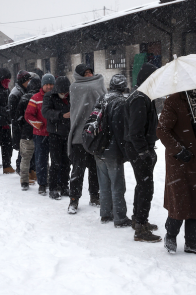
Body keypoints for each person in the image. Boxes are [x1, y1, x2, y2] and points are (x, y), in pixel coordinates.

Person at [157, 86, 196, 255]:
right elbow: (162, 130)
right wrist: (178, 150)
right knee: (179, 199)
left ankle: (192, 242)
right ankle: (171, 236)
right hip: (179, 160)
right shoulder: (173, 101)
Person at [124, 63, 161, 242]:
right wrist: (144, 152)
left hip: (141, 148)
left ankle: (137, 219)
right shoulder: (140, 98)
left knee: (142, 185)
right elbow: (135, 131)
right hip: (139, 150)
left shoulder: (145, 96)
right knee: (146, 187)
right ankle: (141, 227)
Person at [90, 74, 132, 227]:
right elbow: (119, 129)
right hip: (112, 149)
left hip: (98, 146)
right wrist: (125, 151)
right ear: (123, 86)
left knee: (104, 183)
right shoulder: (120, 102)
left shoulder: (102, 98)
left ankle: (105, 213)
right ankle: (120, 218)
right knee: (117, 184)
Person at [67, 64, 106, 213]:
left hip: (95, 133)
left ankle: (94, 196)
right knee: (77, 170)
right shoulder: (75, 87)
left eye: (90, 72)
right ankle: (73, 200)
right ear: (79, 76)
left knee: (95, 169)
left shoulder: (98, 83)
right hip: (79, 134)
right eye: (85, 73)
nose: (89, 75)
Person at [42, 75, 72, 200]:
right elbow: (45, 112)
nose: (64, 94)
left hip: (68, 133)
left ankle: (65, 185)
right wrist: (61, 115)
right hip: (54, 133)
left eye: (66, 92)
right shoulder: (49, 96)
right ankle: (53, 188)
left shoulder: (72, 96)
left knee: (67, 162)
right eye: (61, 92)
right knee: (55, 162)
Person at [25, 73, 54, 195]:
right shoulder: (35, 98)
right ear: (42, 85)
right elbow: (28, 115)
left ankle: (54, 182)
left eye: (51, 84)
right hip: (40, 134)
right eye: (46, 84)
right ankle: (42, 184)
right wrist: (36, 123)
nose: (49, 87)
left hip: (54, 134)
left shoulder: (57, 97)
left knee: (56, 160)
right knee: (41, 160)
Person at [17, 76, 41, 190]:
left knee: (25, 158)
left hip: (26, 133)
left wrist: (23, 127)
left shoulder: (23, 98)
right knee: (42, 157)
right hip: (39, 131)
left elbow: (18, 117)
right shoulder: (40, 98)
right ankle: (43, 180)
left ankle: (24, 181)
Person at [10, 70, 32, 175]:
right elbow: (13, 113)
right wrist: (20, 122)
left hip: (22, 123)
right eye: (28, 80)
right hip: (19, 124)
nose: (29, 82)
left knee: (24, 148)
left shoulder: (23, 90)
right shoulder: (16, 93)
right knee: (22, 148)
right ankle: (20, 167)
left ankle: (22, 167)